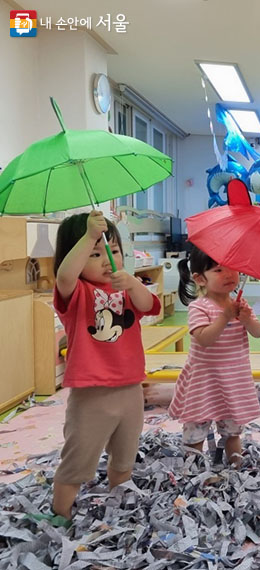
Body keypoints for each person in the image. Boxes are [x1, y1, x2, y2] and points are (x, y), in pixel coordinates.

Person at [51, 211, 161, 522]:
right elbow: (64, 277)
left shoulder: (126, 287)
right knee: (78, 462)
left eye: (112, 251)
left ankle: (120, 505)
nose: (106, 259)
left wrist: (132, 283)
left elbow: (147, 305)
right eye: (94, 253)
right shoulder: (76, 293)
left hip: (130, 388)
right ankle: (61, 516)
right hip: (91, 394)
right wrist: (88, 237)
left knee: (124, 457)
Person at [169, 245, 260, 467]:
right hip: (204, 383)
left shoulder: (240, 305)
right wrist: (225, 317)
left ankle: (235, 469)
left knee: (232, 433)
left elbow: (258, 333)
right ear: (200, 279)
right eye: (219, 270)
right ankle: (193, 472)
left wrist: (247, 318)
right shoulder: (199, 307)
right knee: (195, 433)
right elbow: (204, 339)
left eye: (232, 268)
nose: (229, 274)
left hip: (233, 381)